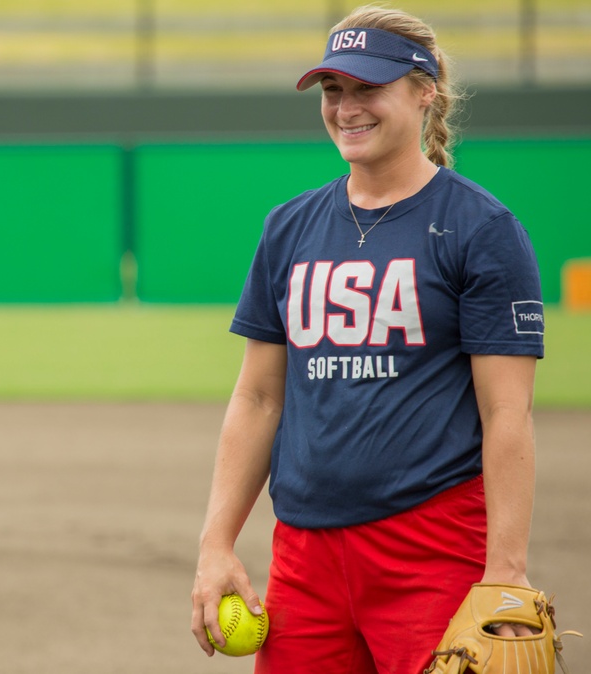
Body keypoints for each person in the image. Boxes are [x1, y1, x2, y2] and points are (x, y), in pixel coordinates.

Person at [189, 6, 544, 673]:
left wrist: (507, 569)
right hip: (305, 554)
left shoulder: (481, 228)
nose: (346, 107)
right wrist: (217, 543)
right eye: (333, 91)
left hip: (432, 547)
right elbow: (260, 399)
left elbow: (507, 411)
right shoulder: (289, 227)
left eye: (367, 87)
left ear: (424, 89)